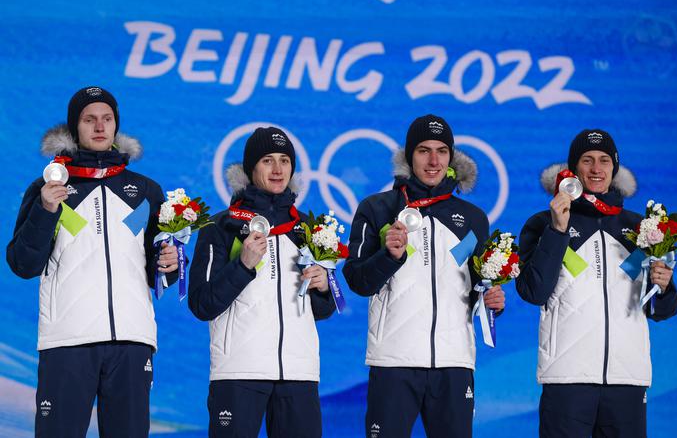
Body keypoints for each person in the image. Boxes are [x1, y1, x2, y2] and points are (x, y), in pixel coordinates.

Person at [6, 86, 178, 437]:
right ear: (75, 127)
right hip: (68, 340)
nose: (100, 127)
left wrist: (170, 264)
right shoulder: (48, 188)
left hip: (132, 340)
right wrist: (46, 210)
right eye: (89, 119)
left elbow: (156, 271)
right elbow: (23, 264)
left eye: (107, 119)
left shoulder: (145, 191)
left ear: (116, 126)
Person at [343, 114, 505, 438]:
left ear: (451, 158)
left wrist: (491, 302)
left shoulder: (472, 219)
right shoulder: (377, 209)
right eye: (423, 151)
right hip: (394, 361)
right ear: (408, 156)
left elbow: (473, 284)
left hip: (454, 363)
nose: (433, 161)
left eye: (442, 151)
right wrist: (389, 257)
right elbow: (358, 281)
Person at [516, 129, 677, 437]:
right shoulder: (544, 221)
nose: (596, 169)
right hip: (566, 378)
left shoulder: (639, 228)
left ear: (614, 168)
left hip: (627, 378)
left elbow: (662, 310)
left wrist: (665, 286)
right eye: (587, 160)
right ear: (573, 168)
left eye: (604, 160)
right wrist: (557, 230)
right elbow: (533, 291)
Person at [188, 126, 336, 437]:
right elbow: (202, 304)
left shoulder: (307, 230)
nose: (278, 169)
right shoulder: (222, 226)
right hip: (239, 371)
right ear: (251, 167)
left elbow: (321, 310)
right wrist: (242, 266)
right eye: (268, 160)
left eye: (284, 160)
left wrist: (323, 287)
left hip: (299, 373)